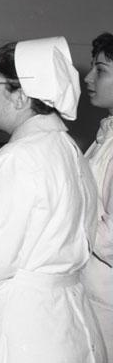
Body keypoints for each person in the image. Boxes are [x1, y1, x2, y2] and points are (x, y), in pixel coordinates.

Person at [0, 37, 106, 362]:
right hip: (65, 324)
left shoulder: (19, 158)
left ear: (20, 96)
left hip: (18, 330)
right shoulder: (69, 150)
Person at [83, 32, 113, 361]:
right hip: (91, 296)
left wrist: (66, 211)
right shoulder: (107, 134)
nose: (88, 77)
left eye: (101, 70)